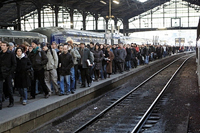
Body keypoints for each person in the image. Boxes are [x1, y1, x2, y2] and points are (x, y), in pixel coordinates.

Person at [0, 41, 16, 109]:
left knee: (9, 88)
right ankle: (0, 104)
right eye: (1, 45)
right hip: (0, 73)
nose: (2, 46)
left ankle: (11, 101)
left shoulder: (11, 53)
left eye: (4, 45)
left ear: (7, 46)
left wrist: (10, 72)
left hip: (8, 73)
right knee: (0, 89)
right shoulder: (0, 53)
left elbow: (14, 64)